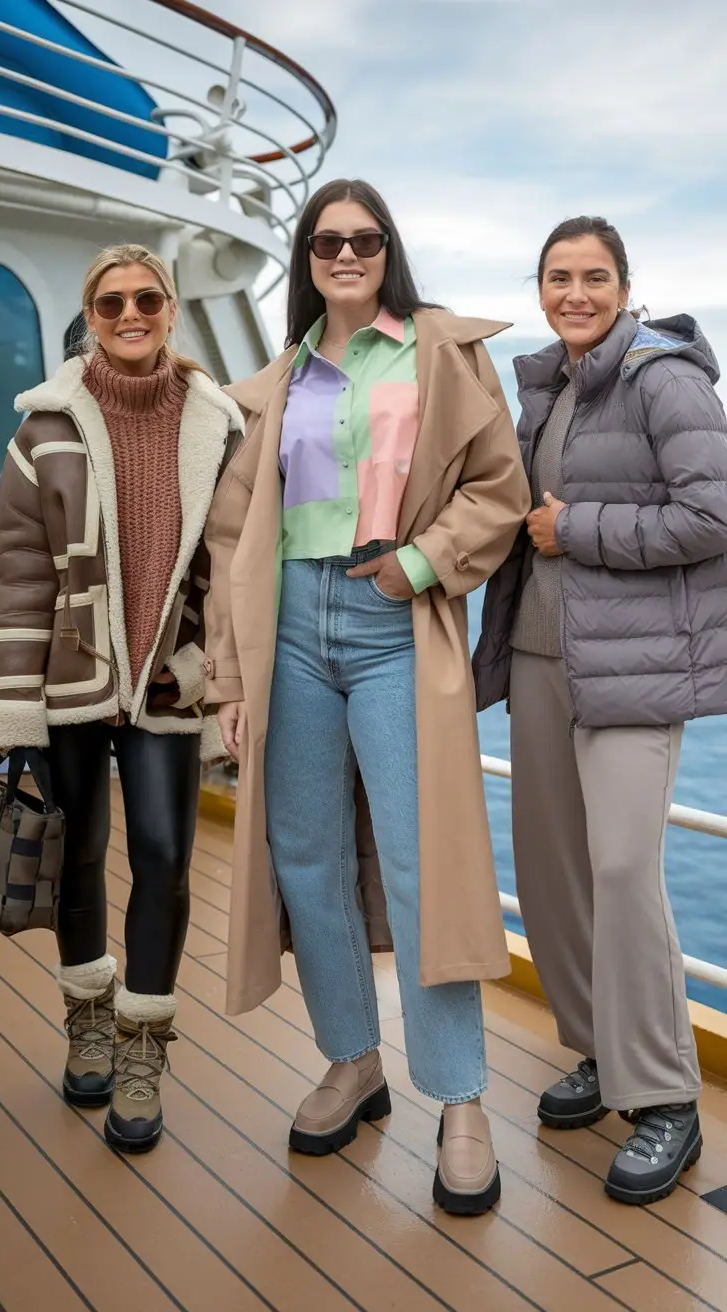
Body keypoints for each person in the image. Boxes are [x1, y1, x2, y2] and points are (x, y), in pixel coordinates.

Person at [201, 178, 529, 1215]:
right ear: (305, 257)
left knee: (423, 859)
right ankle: (352, 1058)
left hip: (394, 617)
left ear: (388, 251)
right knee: (307, 857)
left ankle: (461, 1099)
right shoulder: (278, 380)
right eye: (327, 241)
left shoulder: (440, 352)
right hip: (290, 624)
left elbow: (498, 488)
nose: (346, 254)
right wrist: (229, 677)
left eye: (366, 239)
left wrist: (416, 567)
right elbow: (231, 536)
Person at [474, 216, 727, 1205]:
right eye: (557, 278)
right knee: (552, 874)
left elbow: (711, 515)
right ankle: (598, 1051)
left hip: (633, 672)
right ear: (539, 290)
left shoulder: (665, 377)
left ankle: (664, 1096)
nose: (574, 294)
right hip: (544, 658)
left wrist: (575, 526)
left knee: (621, 871)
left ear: (624, 286)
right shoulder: (549, 387)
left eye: (592, 277)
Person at [0, 243, 242, 1152]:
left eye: (146, 299)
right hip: (69, 682)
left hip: (166, 683)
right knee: (80, 854)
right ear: (91, 318)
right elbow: (18, 574)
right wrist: (11, 705)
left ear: (170, 309)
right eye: (110, 303)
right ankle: (88, 1021)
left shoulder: (220, 426)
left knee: (166, 858)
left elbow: (233, 569)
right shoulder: (44, 428)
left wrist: (204, 666)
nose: (129, 314)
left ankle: (143, 1045)